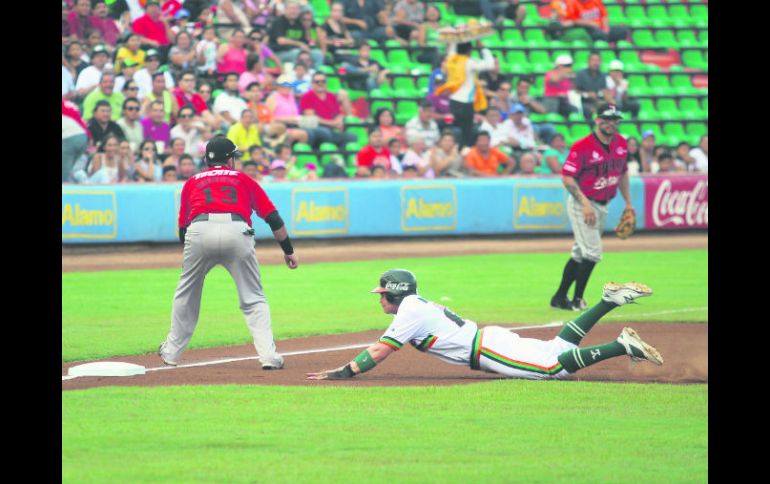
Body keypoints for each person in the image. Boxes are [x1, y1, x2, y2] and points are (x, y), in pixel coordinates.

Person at [307, 269, 663, 380]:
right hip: (489, 339)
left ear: (396, 295)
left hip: (487, 348)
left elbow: (380, 351)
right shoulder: (414, 305)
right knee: (557, 350)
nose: (379, 298)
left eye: (383, 293)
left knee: (554, 368)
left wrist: (345, 372)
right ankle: (608, 301)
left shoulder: (409, 312)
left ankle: (620, 346)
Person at [159, 135, 299, 369]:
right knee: (253, 298)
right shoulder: (244, 179)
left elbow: (182, 231)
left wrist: (194, 251)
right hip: (237, 230)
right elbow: (273, 218)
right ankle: (268, 357)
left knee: (186, 294)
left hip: (199, 230)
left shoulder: (192, 181)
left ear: (206, 159)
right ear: (230, 159)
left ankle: (171, 353)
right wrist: (288, 251)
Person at [550, 103, 632, 312]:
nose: (611, 123)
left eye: (615, 119)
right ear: (597, 120)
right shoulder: (582, 146)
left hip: (604, 205)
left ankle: (559, 297)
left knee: (580, 253)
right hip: (583, 203)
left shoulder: (621, 143)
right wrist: (585, 204)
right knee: (593, 253)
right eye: (606, 118)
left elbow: (622, 173)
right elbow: (567, 177)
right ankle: (578, 299)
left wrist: (629, 203)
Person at [435, 40, 495, 149]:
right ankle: (462, 152)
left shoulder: (451, 60)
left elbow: (451, 51)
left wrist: (453, 40)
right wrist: (483, 48)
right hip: (466, 103)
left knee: (453, 132)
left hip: (453, 102)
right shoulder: (469, 62)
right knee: (465, 135)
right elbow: (490, 65)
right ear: (469, 51)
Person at [299, 72, 357, 148]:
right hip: (316, 128)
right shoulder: (307, 97)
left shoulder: (331, 96)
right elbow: (311, 118)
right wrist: (332, 123)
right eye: (317, 82)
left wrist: (339, 120)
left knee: (352, 137)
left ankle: (340, 157)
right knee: (325, 133)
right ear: (312, 84)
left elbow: (338, 114)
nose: (320, 84)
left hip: (331, 129)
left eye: (323, 81)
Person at [269, 0, 324, 67]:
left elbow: (305, 41)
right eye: (291, 9)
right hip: (279, 53)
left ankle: (314, 73)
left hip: (298, 51)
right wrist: (299, 44)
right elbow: (281, 41)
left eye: (296, 9)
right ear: (285, 10)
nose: (294, 11)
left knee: (317, 53)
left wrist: (307, 47)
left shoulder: (299, 23)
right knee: (298, 53)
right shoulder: (278, 21)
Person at [548, 0, 629, 44]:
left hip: (600, 28)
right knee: (597, 33)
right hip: (588, 29)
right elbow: (574, 21)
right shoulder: (572, 3)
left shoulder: (596, 1)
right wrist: (590, 23)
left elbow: (604, 15)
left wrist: (606, 29)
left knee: (622, 31)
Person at [62, 99, 91, 183]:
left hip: (69, 137)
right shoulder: (67, 105)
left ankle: (69, 194)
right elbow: (80, 122)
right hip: (82, 136)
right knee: (68, 170)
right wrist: (89, 136)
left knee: (63, 173)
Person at [574, 52, 608, 121]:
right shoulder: (581, 74)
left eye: (598, 60)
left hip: (598, 101)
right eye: (593, 60)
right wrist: (587, 94)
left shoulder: (603, 75)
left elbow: (604, 90)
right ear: (588, 62)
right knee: (589, 110)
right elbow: (575, 91)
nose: (595, 63)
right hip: (584, 102)